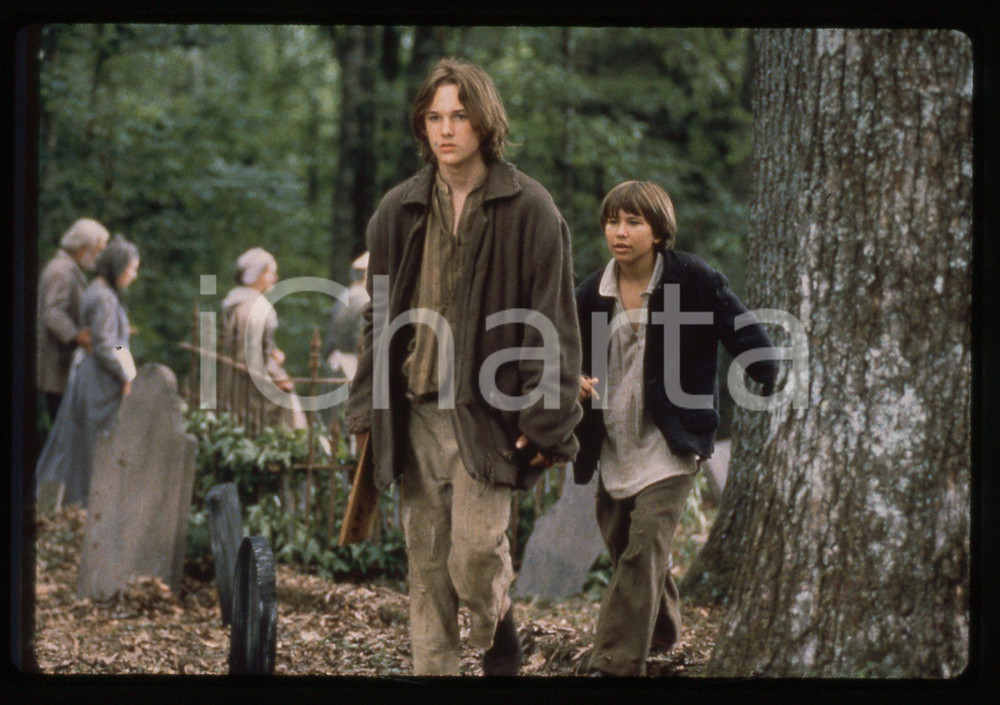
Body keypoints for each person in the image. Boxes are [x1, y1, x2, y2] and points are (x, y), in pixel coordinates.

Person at [346, 57, 583, 676]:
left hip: (487, 415)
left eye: (459, 116)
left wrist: (549, 416)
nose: (445, 130)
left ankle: (498, 632)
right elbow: (378, 318)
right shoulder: (397, 210)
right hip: (414, 410)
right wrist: (363, 408)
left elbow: (553, 320)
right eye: (434, 117)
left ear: (485, 123)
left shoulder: (529, 207)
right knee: (427, 572)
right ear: (422, 126)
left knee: (475, 554)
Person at [573, 181, 777, 677]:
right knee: (626, 547)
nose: (620, 233)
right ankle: (662, 628)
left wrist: (769, 376)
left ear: (660, 230)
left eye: (634, 222)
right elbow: (563, 357)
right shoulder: (590, 293)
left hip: (673, 441)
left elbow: (748, 337)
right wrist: (571, 381)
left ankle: (614, 663)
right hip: (613, 441)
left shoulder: (694, 280)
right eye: (613, 221)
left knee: (643, 549)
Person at [36, 235, 140, 508]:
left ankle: (64, 504)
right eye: (131, 268)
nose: (134, 275)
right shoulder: (104, 297)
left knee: (73, 444)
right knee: (89, 446)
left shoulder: (102, 292)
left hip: (97, 378)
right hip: (99, 383)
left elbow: (111, 340)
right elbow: (106, 343)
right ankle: (79, 505)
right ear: (117, 267)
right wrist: (126, 373)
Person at [219, 247, 306, 430]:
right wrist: (279, 378)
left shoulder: (240, 303)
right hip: (249, 385)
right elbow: (251, 357)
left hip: (240, 378)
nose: (274, 278)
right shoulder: (253, 309)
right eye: (270, 273)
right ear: (255, 275)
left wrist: (273, 351)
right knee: (289, 408)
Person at [37, 218, 110, 422]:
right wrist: (77, 336)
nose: (98, 257)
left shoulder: (70, 269)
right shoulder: (61, 271)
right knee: (63, 435)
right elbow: (52, 312)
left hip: (64, 368)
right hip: (57, 368)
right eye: (97, 250)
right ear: (82, 248)